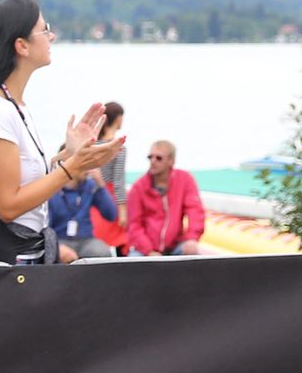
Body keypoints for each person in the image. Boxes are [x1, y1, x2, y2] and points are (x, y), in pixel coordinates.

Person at [0, 0, 124, 264]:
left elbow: (22, 182)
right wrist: (73, 167)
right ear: (21, 46)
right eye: (44, 29)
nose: (51, 36)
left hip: (12, 254)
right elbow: (7, 206)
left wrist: (67, 156)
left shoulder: (14, 106)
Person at [126, 141, 206, 256]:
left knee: (193, 253)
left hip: (174, 246)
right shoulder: (138, 188)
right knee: (133, 261)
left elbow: (195, 211)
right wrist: (149, 251)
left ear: (171, 161)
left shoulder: (185, 180)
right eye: (150, 157)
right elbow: (134, 225)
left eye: (158, 158)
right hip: (145, 249)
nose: (153, 161)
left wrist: (192, 238)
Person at [47, 170, 118, 262]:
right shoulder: (53, 190)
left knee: (101, 252)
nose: (88, 169)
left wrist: (101, 186)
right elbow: (46, 227)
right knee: (55, 255)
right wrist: (57, 246)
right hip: (60, 239)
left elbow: (111, 215)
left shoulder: (90, 186)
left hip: (86, 240)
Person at [90, 101, 130, 254]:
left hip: (92, 196)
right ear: (118, 118)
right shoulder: (118, 147)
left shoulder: (93, 145)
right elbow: (118, 181)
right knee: (118, 242)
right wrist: (122, 210)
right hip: (110, 197)